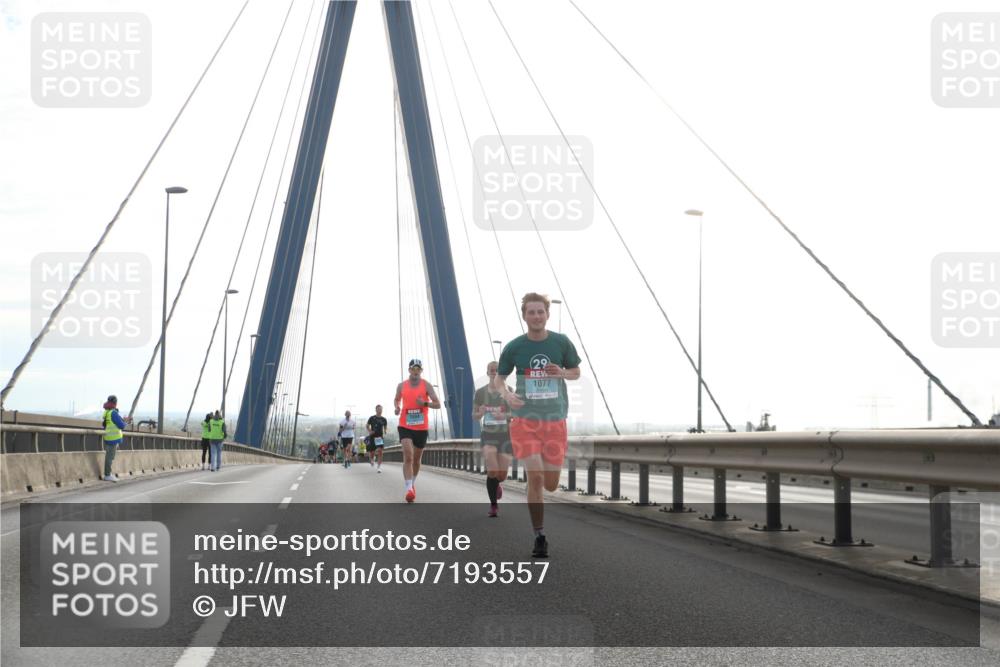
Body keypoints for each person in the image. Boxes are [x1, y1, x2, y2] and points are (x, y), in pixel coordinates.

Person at [496, 293, 581, 558]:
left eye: (540, 312)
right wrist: (508, 395)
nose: (536, 316)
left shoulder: (561, 342)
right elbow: (500, 380)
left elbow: (576, 372)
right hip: (525, 422)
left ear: (547, 314)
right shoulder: (514, 347)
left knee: (551, 484)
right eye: (531, 312)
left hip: (554, 421)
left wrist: (563, 373)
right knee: (535, 476)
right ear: (524, 316)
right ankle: (539, 535)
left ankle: (542, 495)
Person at [394, 359, 441, 502]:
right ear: (409, 370)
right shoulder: (401, 386)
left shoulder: (426, 385)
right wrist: (397, 407)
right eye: (413, 369)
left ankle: (412, 483)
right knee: (408, 456)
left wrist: (425, 403)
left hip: (421, 427)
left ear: (421, 370)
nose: (416, 371)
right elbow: (396, 399)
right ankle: (409, 489)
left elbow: (438, 404)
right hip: (405, 425)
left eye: (418, 369)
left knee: (416, 459)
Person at [473, 361, 513, 517]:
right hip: (488, 435)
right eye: (491, 370)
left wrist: (505, 415)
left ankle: (497, 485)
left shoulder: (509, 391)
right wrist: (480, 413)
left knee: (501, 475)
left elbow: (516, 414)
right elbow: (474, 415)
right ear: (487, 372)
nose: (494, 373)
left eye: (497, 371)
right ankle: (493, 505)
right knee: (492, 470)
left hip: (505, 436)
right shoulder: (480, 393)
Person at [101, 395, 131, 482]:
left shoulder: (107, 412)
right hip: (113, 438)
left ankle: (108, 474)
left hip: (108, 437)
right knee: (110, 457)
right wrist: (126, 423)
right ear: (115, 403)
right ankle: (107, 475)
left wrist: (123, 420)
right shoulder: (113, 413)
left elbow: (106, 424)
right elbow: (121, 425)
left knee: (109, 456)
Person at [366, 404, 389, 472]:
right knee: (372, 452)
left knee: (380, 451)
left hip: (379, 437)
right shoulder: (372, 418)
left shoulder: (384, 419)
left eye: (381, 409)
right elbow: (367, 425)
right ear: (376, 410)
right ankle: (372, 459)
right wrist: (370, 431)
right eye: (378, 409)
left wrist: (385, 431)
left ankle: (379, 467)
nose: (380, 410)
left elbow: (385, 427)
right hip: (373, 436)